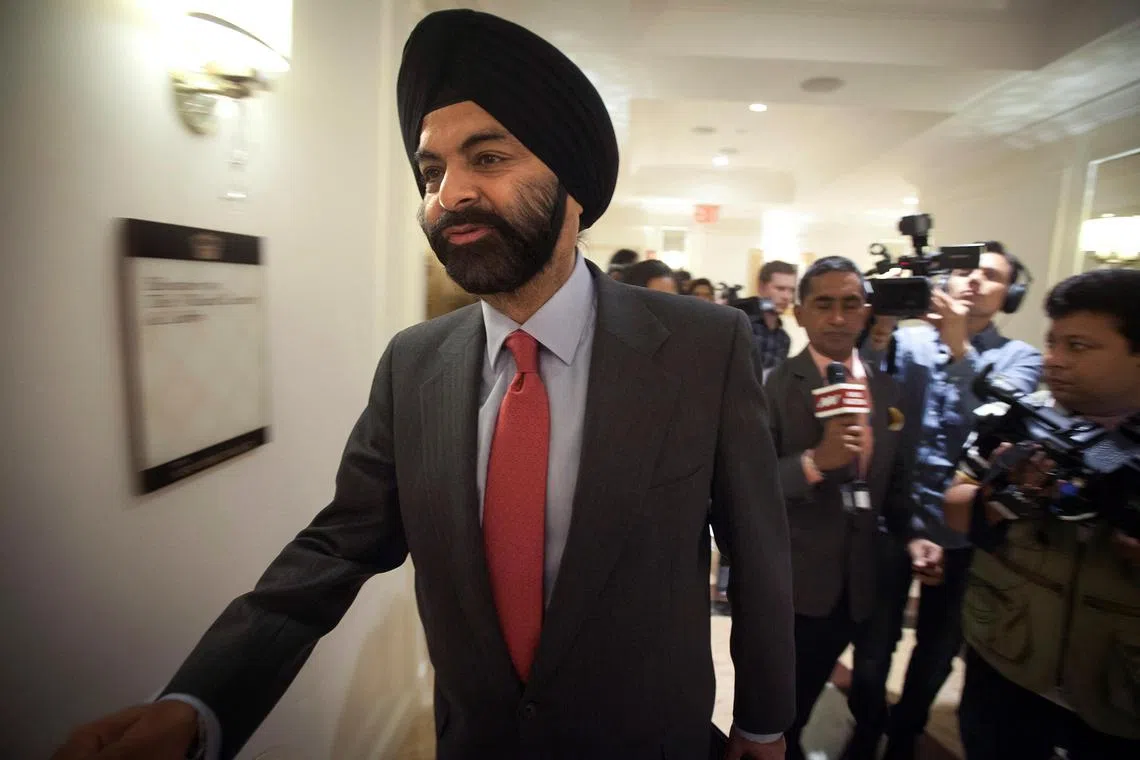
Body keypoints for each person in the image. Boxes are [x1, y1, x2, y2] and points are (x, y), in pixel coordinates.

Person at [51, 10, 795, 760]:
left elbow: (756, 551)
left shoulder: (702, 347)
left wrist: (763, 725)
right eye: (432, 172)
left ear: (574, 189)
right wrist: (198, 704)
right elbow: (331, 552)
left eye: (489, 158)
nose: (448, 196)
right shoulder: (414, 366)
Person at [849, 241, 1043, 759]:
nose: (975, 282)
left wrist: (960, 352)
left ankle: (906, 734)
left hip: (965, 536)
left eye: (992, 276)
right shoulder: (909, 342)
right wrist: (880, 322)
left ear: (1010, 295)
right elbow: (862, 376)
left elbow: (1001, 417)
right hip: (896, 519)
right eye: (966, 272)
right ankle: (866, 726)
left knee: (937, 651)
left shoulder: (1023, 360)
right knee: (872, 645)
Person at [942, 268, 1140, 759]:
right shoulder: (1018, 418)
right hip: (1007, 662)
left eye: (1078, 346)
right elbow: (954, 510)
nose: (1053, 360)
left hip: (1120, 696)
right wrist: (1005, 493)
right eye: (1052, 343)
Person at [764, 256, 944, 760]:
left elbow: (900, 482)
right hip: (805, 580)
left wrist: (915, 537)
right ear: (801, 313)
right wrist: (815, 463)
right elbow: (751, 487)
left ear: (867, 312)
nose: (838, 318)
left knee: (870, 698)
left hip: (876, 578)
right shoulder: (773, 387)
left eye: (850, 304)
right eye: (824, 305)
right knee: (789, 712)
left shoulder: (891, 390)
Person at [750, 261, 798, 372]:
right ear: (761, 287)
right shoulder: (743, 326)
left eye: (791, 290)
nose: (787, 296)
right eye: (780, 289)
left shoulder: (784, 339)